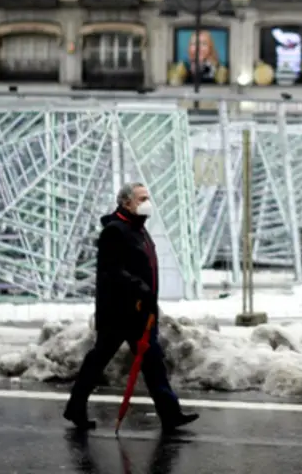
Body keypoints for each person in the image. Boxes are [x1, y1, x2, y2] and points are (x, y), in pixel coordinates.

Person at [64, 182, 199, 431]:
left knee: (153, 362)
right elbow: (112, 271)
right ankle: (76, 407)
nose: (147, 203)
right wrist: (140, 288)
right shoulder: (115, 231)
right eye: (141, 199)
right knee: (99, 361)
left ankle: (170, 414)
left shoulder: (138, 229)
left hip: (140, 311)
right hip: (120, 313)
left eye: (147, 198)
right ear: (126, 203)